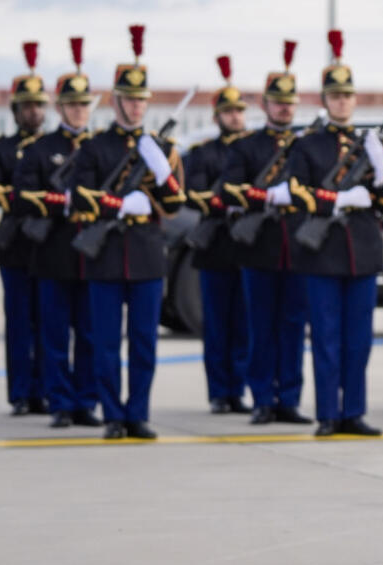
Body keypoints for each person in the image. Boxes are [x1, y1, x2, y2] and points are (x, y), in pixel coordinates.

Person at [71, 25, 186, 440]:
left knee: (143, 343)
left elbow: (175, 205)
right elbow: (78, 198)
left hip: (146, 254)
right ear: (116, 100)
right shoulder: (96, 148)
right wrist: (121, 204)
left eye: (141, 101)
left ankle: (137, 413)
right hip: (104, 253)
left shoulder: (161, 148)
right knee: (104, 343)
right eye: (129, 100)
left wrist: (161, 175)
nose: (136, 108)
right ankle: (112, 415)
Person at [286, 30, 383, 437]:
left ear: (354, 99)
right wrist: (340, 201)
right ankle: (329, 413)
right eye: (335, 96)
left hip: (362, 253)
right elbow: (298, 194)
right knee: (327, 339)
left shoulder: (369, 145)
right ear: (325, 100)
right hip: (323, 253)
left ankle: (355, 412)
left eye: (347, 95)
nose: (342, 101)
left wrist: (380, 176)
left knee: (358, 342)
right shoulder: (308, 146)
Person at [218, 40, 311, 426]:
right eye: (277, 102)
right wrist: (268, 196)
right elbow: (228, 190)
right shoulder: (248, 147)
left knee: (292, 328)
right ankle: (261, 399)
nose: (284, 108)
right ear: (265, 105)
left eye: (289, 102)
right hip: (260, 248)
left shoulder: (307, 146)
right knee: (260, 328)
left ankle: (288, 398)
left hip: (300, 248)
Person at [12, 37, 100, 428]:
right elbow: (23, 196)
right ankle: (60, 401)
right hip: (54, 250)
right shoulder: (41, 148)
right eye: (73, 105)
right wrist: (63, 202)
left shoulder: (100, 148)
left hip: (94, 254)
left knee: (90, 334)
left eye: (85, 105)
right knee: (53, 334)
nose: (79, 111)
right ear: (60, 107)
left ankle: (85, 400)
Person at [183, 55, 250, 415]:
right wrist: (226, 201)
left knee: (243, 326)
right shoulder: (204, 154)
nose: (235, 117)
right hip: (216, 246)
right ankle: (218, 393)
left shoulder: (253, 150)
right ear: (216, 117)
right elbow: (194, 194)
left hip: (248, 247)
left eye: (239, 111)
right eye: (228, 112)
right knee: (217, 326)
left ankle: (237, 390)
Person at [0, 42, 46, 416]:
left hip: (49, 245)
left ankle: (48, 387)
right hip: (16, 246)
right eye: (27, 106)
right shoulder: (2, 149)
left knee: (51, 322)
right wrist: (28, 199)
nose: (33, 111)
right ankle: (22, 393)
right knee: (20, 322)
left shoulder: (59, 147)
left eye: (39, 105)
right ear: (16, 110)